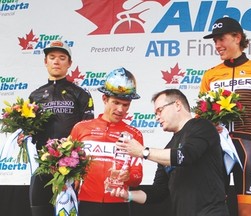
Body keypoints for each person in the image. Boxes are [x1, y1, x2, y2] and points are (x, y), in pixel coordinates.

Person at [201, 17, 251, 216]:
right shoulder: (210, 75)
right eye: (214, 41)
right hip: (215, 149)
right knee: (212, 209)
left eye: (221, 39)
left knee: (247, 212)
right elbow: (200, 118)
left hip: (247, 149)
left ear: (237, 37)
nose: (217, 45)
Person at [112, 88, 229, 216]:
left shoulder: (202, 126)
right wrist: (127, 194)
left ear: (177, 105)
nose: (157, 118)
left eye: (160, 111)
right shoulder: (167, 149)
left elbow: (185, 155)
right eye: (155, 114)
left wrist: (142, 151)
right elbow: (158, 193)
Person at [20, 40, 95, 216]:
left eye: (62, 58)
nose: (56, 61)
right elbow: (30, 129)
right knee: (39, 211)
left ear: (69, 63)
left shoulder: (81, 94)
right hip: (42, 166)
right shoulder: (35, 95)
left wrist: (79, 170)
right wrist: (24, 135)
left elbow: (87, 133)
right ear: (45, 62)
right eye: (52, 57)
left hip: (69, 168)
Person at [70, 67, 144, 216]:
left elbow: (137, 177)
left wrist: (128, 176)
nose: (120, 109)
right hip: (85, 203)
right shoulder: (80, 128)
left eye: (125, 105)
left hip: (118, 205)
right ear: (104, 99)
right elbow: (67, 166)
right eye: (116, 102)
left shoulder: (134, 134)